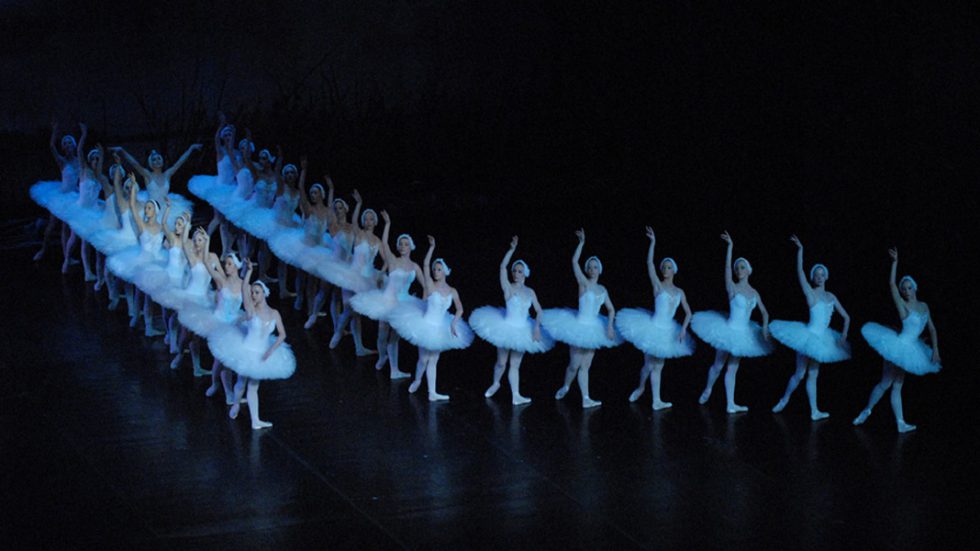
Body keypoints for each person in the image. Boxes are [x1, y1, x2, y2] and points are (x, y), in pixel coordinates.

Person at [853, 247, 941, 433]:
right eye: (904, 289)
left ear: (915, 287)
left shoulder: (924, 306)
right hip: (898, 346)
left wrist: (935, 350)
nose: (907, 291)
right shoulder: (903, 306)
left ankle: (900, 423)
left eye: (909, 287)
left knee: (898, 386)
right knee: (885, 383)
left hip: (912, 348)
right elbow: (892, 284)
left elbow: (932, 328)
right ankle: (866, 411)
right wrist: (895, 262)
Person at [770, 236, 851, 420]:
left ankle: (814, 411)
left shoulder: (831, 297)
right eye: (817, 275)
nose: (820, 277)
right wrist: (800, 250)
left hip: (823, 338)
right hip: (807, 336)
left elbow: (847, 317)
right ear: (813, 278)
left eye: (822, 274)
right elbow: (799, 271)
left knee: (814, 374)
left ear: (826, 277)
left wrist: (844, 335)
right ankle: (784, 400)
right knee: (800, 374)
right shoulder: (811, 294)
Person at [691, 231, 772, 413]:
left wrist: (765, 327)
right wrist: (730, 247)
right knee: (718, 365)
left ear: (749, 270)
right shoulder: (733, 288)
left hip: (743, 334)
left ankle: (730, 404)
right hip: (728, 330)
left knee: (733, 368)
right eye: (738, 268)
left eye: (742, 267)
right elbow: (727, 269)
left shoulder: (754, 293)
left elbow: (764, 312)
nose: (739, 270)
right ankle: (708, 389)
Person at [209, 261, 295, 430]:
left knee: (254, 387)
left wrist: (271, 350)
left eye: (257, 292)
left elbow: (282, 334)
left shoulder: (274, 313)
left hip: (262, 353)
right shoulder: (251, 311)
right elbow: (244, 289)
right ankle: (235, 404)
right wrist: (249, 271)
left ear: (264, 294)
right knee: (241, 383)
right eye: (253, 292)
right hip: (247, 350)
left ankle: (255, 420)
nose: (254, 295)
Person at [615, 227, 694, 410]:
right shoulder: (658, 286)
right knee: (649, 365)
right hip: (652, 327)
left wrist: (683, 329)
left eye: (669, 267)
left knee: (658, 366)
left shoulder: (680, 292)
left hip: (668, 330)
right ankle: (641, 387)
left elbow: (688, 312)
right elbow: (649, 264)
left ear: (674, 271)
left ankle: (656, 400)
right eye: (664, 267)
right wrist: (653, 242)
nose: (665, 269)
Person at [541, 229, 621, 408]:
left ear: (599, 269)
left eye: (595, 267)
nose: (592, 270)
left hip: (594, 328)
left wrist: (609, 326)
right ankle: (566, 386)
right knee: (574, 364)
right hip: (578, 325)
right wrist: (581, 243)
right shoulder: (583, 283)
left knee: (586, 366)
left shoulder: (603, 289)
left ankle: (586, 398)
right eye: (590, 267)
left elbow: (611, 309)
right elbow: (574, 262)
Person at [469, 236, 553, 405]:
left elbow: (539, 310)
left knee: (515, 365)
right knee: (501, 362)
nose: (516, 274)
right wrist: (511, 250)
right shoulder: (508, 288)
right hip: (506, 327)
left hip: (523, 329)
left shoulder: (530, 292)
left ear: (525, 273)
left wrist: (536, 327)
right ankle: (496, 383)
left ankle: (516, 395)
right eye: (514, 271)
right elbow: (502, 267)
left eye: (519, 271)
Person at [388, 236, 473, 401]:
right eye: (435, 269)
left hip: (441, 327)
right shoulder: (430, 286)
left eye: (439, 269)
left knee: (434, 359)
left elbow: (460, 309)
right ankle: (418, 380)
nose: (435, 271)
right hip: (425, 325)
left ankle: (432, 392)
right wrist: (431, 248)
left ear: (445, 271)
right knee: (423, 359)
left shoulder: (452, 291)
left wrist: (454, 323)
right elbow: (426, 265)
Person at [349, 211, 423, 379]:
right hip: (387, 299)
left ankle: (394, 370)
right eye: (400, 244)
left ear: (411, 247)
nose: (403, 246)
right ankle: (382, 357)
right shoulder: (392, 260)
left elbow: (425, 285)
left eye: (406, 244)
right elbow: (384, 242)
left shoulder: (415, 267)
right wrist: (388, 224)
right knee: (382, 333)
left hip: (403, 303)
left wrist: (425, 301)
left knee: (394, 337)